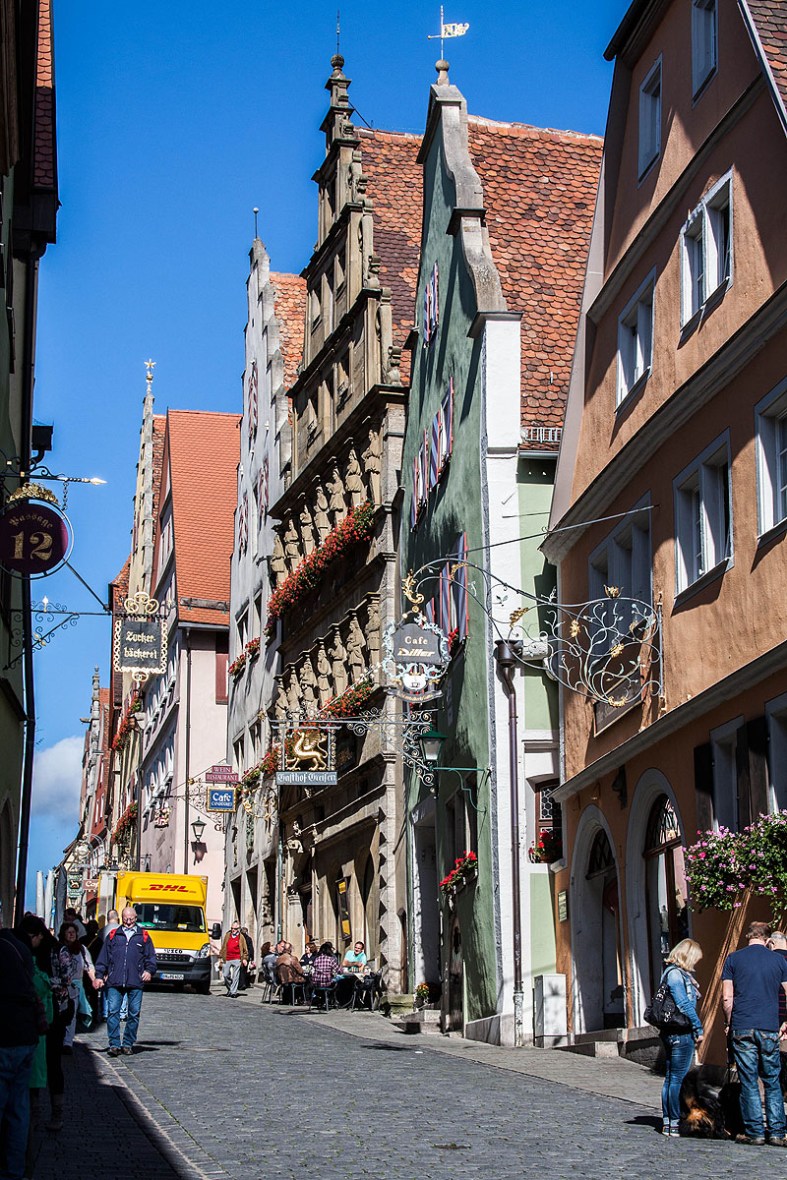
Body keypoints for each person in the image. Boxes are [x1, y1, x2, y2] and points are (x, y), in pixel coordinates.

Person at [722, 919, 787, 1145]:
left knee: (749, 1080)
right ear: (767, 939)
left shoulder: (733, 959)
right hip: (769, 1026)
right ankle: (778, 1132)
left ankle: (755, 1132)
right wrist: (785, 1021)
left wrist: (730, 1022)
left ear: (748, 937)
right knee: (772, 1080)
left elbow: (727, 998)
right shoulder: (778, 961)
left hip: (742, 1025)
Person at [0, 926, 40, 1180]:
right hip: (26, 1035)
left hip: (4, 1034)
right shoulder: (19, 949)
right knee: (18, 1110)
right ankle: (14, 1171)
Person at [94, 906, 157, 1057]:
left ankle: (128, 1043)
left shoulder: (144, 936)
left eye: (131, 919)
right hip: (115, 981)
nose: (128, 922)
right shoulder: (113, 935)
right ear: (122, 918)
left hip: (135, 981)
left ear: (136, 918)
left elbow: (151, 958)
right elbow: (104, 957)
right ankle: (114, 1044)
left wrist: (149, 971)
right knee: (113, 1012)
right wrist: (99, 975)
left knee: (134, 1014)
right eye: (126, 919)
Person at [658, 938, 704, 1137]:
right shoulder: (676, 975)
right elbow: (684, 1004)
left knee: (670, 1078)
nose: (695, 964)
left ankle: (668, 1121)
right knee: (676, 1078)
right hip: (680, 1031)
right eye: (695, 959)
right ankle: (674, 1122)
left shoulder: (670, 973)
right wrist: (698, 1027)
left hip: (669, 1032)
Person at [57, 921, 96, 1052]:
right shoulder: (58, 948)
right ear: (63, 934)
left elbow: (89, 966)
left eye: (73, 932)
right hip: (60, 986)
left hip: (76, 986)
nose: (71, 934)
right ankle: (59, 1039)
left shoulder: (82, 949)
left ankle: (68, 1042)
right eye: (69, 932)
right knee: (60, 1014)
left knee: (71, 1014)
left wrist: (94, 980)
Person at [217, 921, 251, 998]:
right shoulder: (227, 935)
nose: (233, 930)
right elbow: (224, 946)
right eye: (232, 928)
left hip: (237, 958)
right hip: (227, 958)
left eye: (235, 929)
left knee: (236, 976)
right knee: (225, 975)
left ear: (238, 929)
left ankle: (233, 992)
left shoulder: (241, 937)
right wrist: (220, 957)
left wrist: (245, 958)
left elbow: (245, 950)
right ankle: (230, 989)